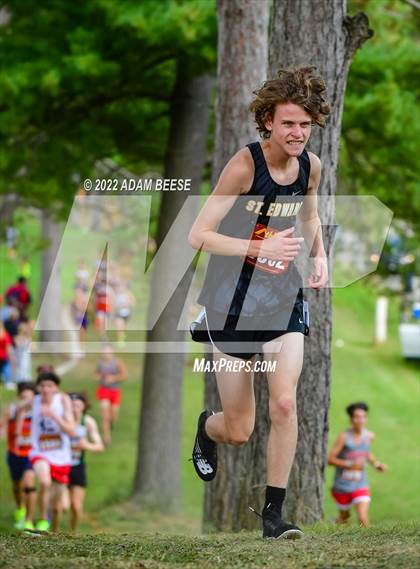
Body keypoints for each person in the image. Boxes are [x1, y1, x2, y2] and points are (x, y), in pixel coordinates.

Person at [188, 66, 330, 539]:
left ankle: (273, 516)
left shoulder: (312, 165)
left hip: (282, 297)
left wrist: (319, 256)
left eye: (305, 124)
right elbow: (197, 235)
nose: (297, 133)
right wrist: (259, 247)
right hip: (230, 301)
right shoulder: (245, 165)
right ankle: (207, 428)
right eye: (288, 123)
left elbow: (308, 215)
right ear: (268, 120)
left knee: (285, 403)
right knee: (239, 428)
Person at [20, 370, 75, 532]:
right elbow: (16, 408)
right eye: (42, 385)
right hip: (39, 452)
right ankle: (42, 518)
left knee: (58, 506)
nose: (45, 389)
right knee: (44, 481)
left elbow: (71, 430)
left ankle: (52, 528)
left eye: (49, 386)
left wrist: (53, 416)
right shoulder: (34, 401)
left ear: (56, 388)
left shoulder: (63, 401)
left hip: (61, 456)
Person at [328, 402, 387, 527]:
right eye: (356, 417)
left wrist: (376, 464)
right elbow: (330, 459)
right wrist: (350, 465)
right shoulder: (344, 437)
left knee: (362, 517)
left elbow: (366, 453)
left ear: (366, 418)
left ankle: (371, 543)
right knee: (344, 518)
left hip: (360, 484)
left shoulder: (369, 436)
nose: (360, 420)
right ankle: (337, 521)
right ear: (351, 419)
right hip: (342, 485)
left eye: (363, 417)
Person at [65, 392, 104, 532]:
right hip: (61, 465)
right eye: (71, 405)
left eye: (78, 405)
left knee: (76, 506)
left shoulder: (87, 422)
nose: (74, 408)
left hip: (78, 466)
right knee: (62, 505)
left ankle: (72, 533)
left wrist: (86, 445)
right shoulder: (62, 420)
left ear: (84, 407)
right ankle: (51, 527)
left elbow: (99, 446)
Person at [0, 382, 36, 530]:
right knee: (16, 486)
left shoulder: (37, 412)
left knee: (29, 484)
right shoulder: (12, 410)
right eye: (23, 397)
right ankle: (20, 507)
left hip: (31, 455)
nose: (26, 400)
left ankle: (29, 520)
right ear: (18, 397)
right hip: (14, 453)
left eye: (28, 397)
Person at [95, 345, 127, 445]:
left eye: (108, 353)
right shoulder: (100, 363)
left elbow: (124, 375)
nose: (106, 355)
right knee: (105, 416)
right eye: (105, 353)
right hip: (103, 390)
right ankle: (106, 437)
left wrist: (114, 378)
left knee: (113, 415)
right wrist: (99, 377)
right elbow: (95, 374)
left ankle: (110, 424)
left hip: (115, 391)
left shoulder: (117, 362)